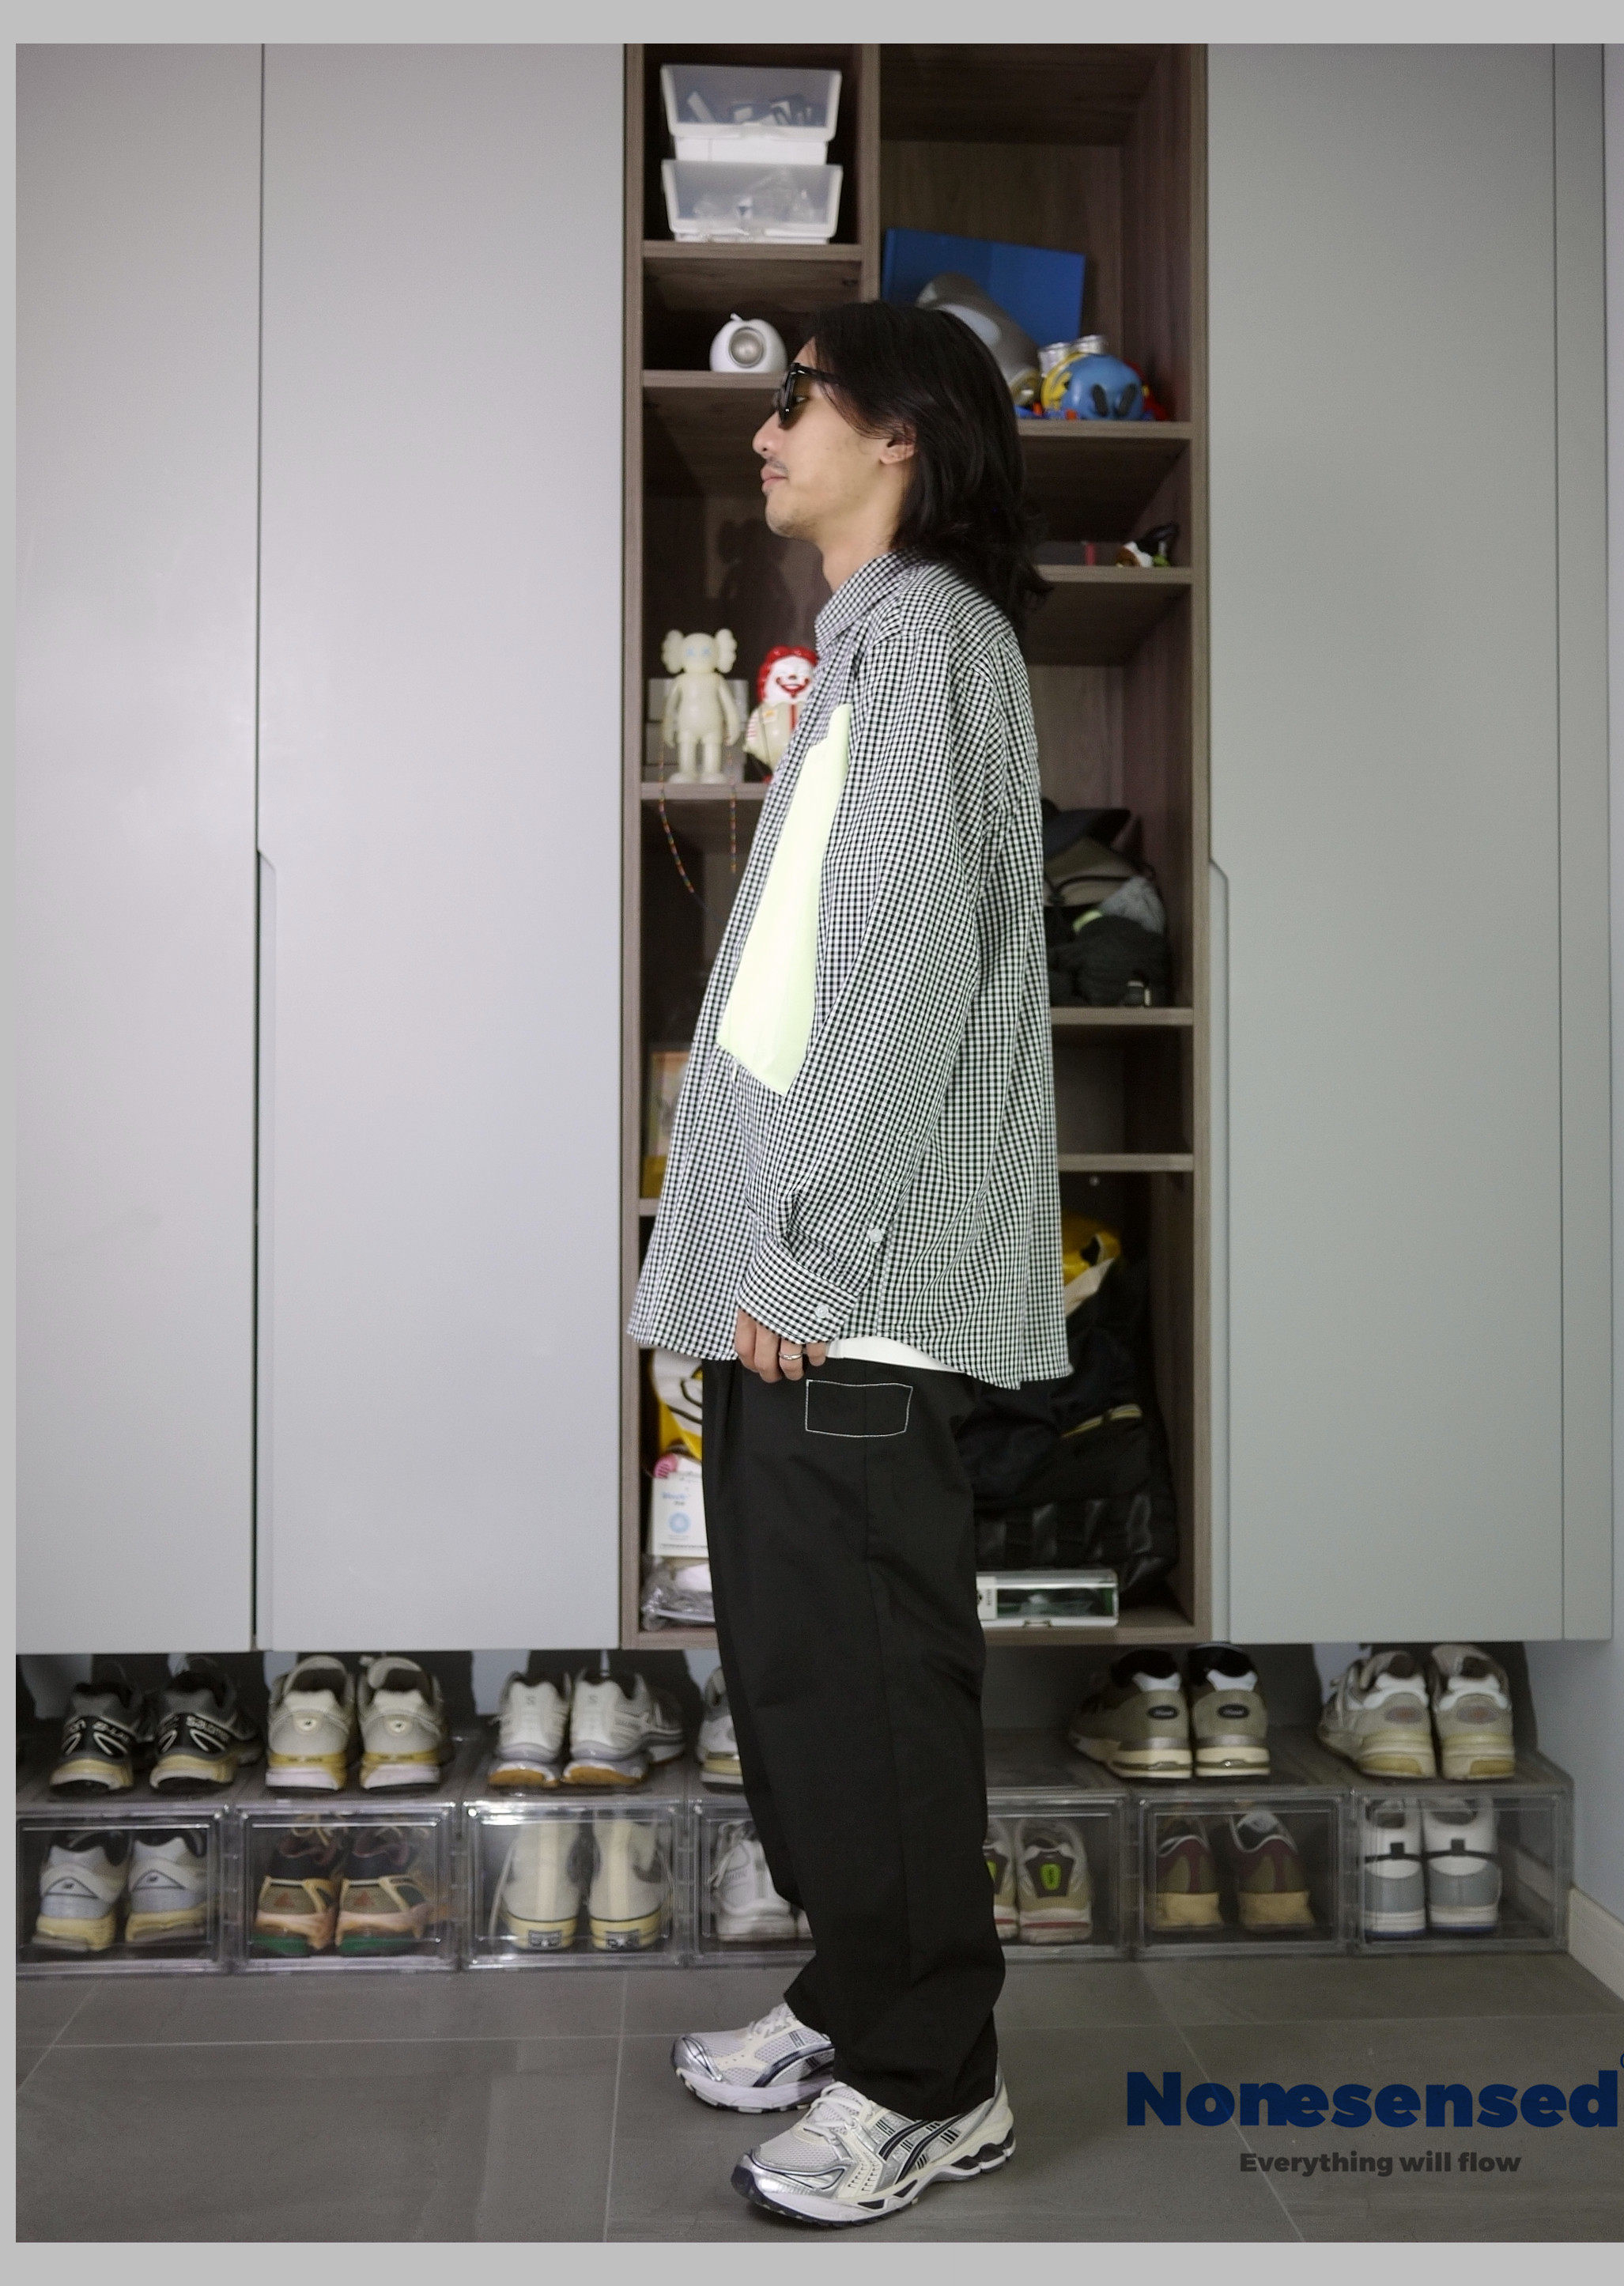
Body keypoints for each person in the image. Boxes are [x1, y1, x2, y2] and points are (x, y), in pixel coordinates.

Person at [629, 298, 1067, 2228]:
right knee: (799, 1679)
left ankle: (933, 2080)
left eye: (797, 399)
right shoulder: (876, 648)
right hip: (794, 1275)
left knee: (870, 1694)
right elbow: (816, 975)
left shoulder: (936, 642)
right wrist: (748, 1247)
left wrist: (806, 1254)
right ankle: (853, 1990)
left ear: (900, 434)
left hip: (850, 1290)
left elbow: (902, 970)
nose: (766, 430)